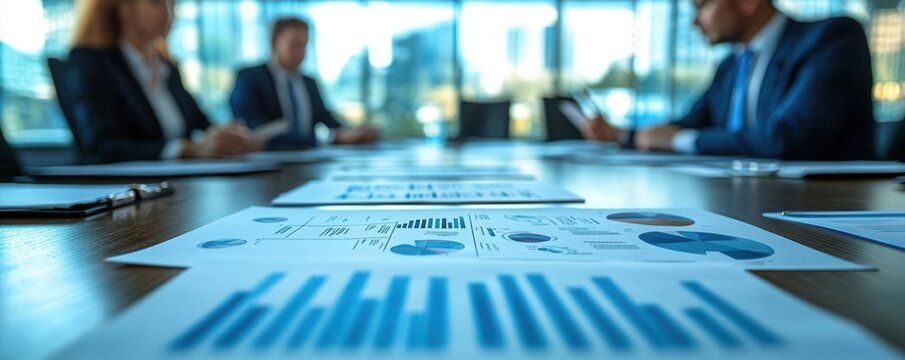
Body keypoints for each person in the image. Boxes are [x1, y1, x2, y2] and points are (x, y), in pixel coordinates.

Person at [582, 0, 875, 160]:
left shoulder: (832, 39)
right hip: (747, 202)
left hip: (824, 213)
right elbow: (688, 124)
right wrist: (621, 135)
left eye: (702, 6)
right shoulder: (731, 65)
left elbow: (787, 139)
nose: (695, 22)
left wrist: (681, 140)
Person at [67, 0, 260, 163]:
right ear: (124, 7)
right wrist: (187, 150)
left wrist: (230, 137)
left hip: (177, 187)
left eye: (173, 3)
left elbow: (201, 122)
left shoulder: (167, 67)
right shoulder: (90, 62)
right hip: (121, 191)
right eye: (156, 2)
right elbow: (103, 147)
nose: (169, 13)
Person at [230, 18, 379, 150]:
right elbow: (256, 128)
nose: (301, 52)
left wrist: (352, 132)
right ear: (274, 43)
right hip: (266, 166)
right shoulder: (250, 77)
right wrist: (329, 139)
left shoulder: (309, 82)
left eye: (304, 45)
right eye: (294, 44)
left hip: (309, 162)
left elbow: (325, 118)